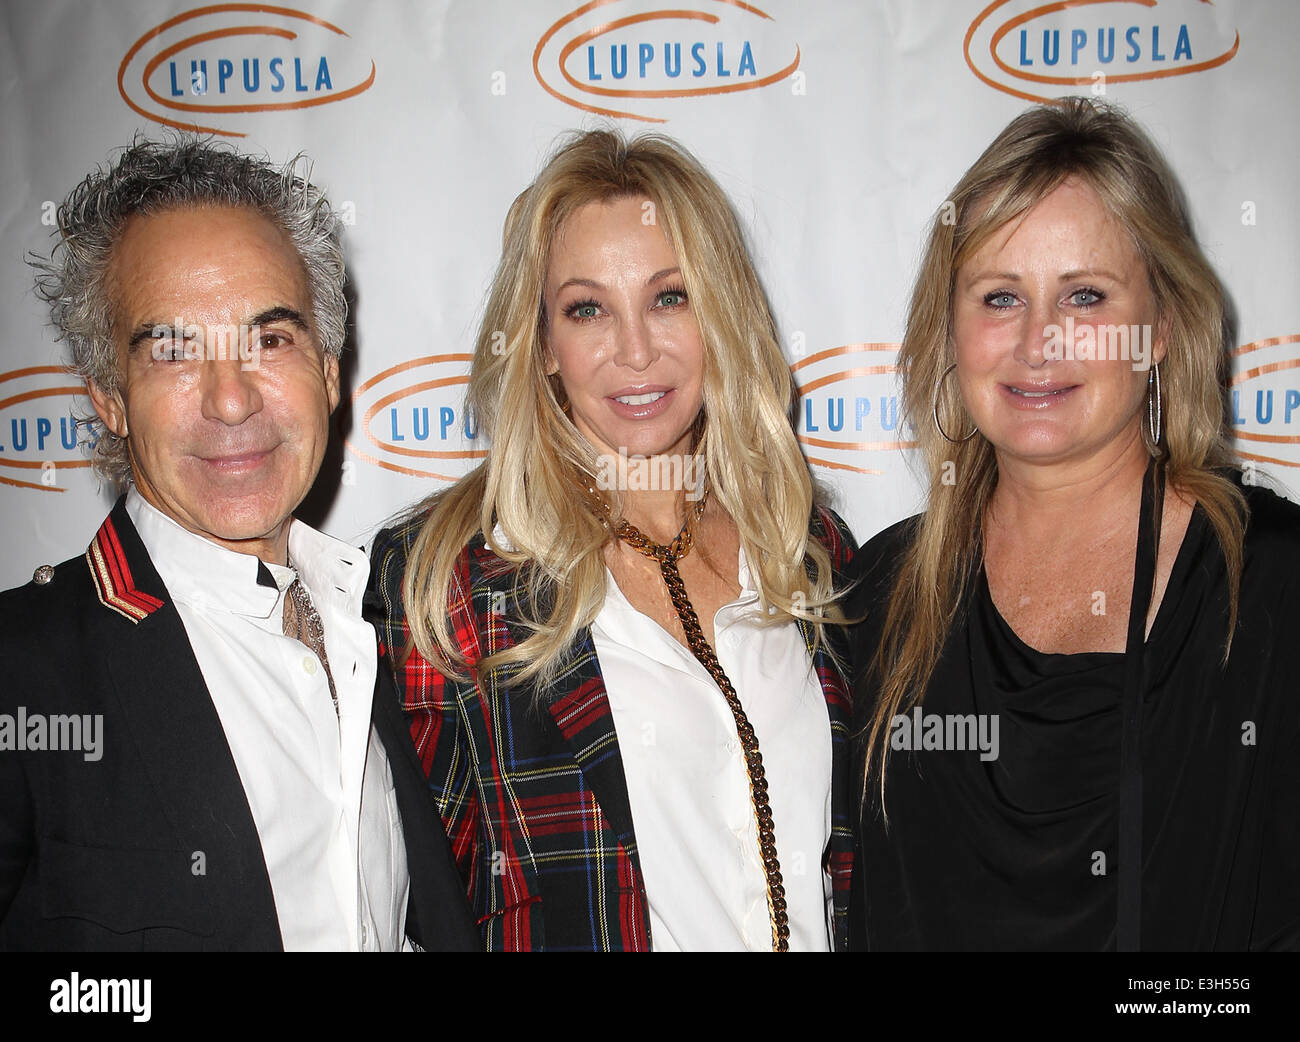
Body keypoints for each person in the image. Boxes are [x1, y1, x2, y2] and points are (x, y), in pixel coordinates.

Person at [369, 129, 855, 952]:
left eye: (670, 297)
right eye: (586, 308)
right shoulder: (450, 583)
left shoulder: (807, 548)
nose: (635, 351)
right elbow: (419, 911)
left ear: (721, 314)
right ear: (545, 346)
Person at [0, 138, 477, 951]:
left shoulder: (388, 628)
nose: (229, 399)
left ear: (329, 374)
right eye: (174, 351)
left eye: (270, 338)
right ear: (110, 398)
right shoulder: (21, 669)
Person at [846, 97, 1300, 951]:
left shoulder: (1270, 584)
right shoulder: (878, 595)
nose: (1038, 342)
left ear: (1162, 327)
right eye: (999, 297)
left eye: (1084, 295)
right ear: (950, 330)